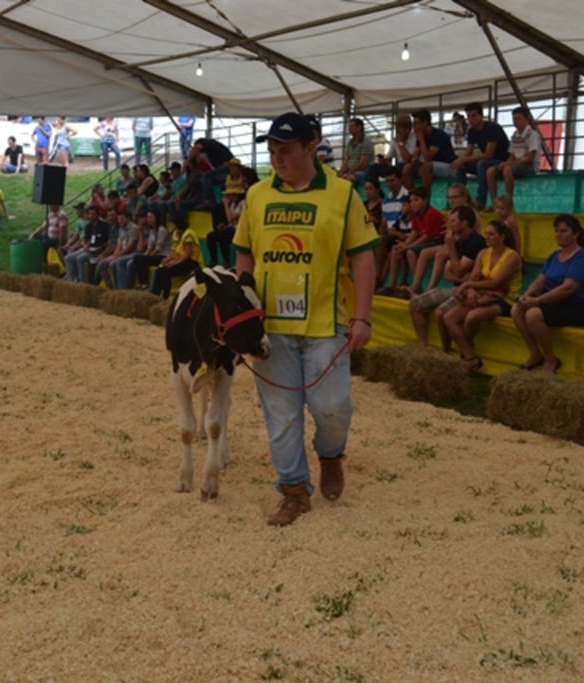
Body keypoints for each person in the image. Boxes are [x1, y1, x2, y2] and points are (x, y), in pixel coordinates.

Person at [233, 112, 378, 527]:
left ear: (311, 147)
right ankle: (294, 492)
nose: (277, 160)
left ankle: (331, 456)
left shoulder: (342, 195)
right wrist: (243, 309)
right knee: (281, 416)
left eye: (286, 151)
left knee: (333, 408)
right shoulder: (257, 196)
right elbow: (244, 251)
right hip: (270, 331)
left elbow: (363, 256)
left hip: (326, 325)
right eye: (272, 151)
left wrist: (362, 316)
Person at [513, 214, 584, 373]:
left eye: (564, 231)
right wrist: (526, 297)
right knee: (516, 309)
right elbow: (540, 281)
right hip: (554, 302)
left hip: (576, 306)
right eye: (557, 230)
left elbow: (568, 288)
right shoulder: (554, 256)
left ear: (576, 234)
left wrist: (536, 301)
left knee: (533, 314)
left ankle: (550, 358)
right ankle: (535, 353)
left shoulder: (582, 258)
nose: (558, 234)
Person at [444, 219, 522, 371]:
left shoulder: (513, 257)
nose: (487, 237)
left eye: (491, 234)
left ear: (502, 237)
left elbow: (495, 284)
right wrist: (472, 291)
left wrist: (467, 286)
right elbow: (474, 277)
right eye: (486, 233)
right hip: (482, 294)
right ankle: (470, 357)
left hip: (504, 298)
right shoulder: (483, 253)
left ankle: (466, 350)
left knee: (472, 317)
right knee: (449, 318)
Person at [406, 205, 486, 350]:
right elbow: (448, 273)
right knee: (415, 304)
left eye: (454, 221)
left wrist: (451, 247)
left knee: (441, 313)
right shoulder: (458, 239)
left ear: (464, 223)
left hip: (468, 291)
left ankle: (446, 351)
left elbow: (459, 269)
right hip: (458, 286)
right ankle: (423, 346)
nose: (450, 224)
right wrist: (461, 277)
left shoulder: (476, 241)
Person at [387, 187, 445, 296]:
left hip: (436, 241)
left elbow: (426, 237)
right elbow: (414, 233)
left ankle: (416, 287)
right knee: (396, 250)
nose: (413, 203)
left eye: (416, 200)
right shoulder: (416, 214)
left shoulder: (432, 213)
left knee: (410, 252)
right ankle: (392, 285)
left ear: (425, 200)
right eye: (411, 201)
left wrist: (407, 247)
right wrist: (404, 245)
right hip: (426, 241)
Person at [451, 102, 510, 208]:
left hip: (501, 161)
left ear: (481, 116)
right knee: (461, 167)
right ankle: (459, 199)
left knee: (481, 164)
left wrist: (464, 159)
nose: (471, 119)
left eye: (474, 116)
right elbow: (468, 152)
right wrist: (460, 161)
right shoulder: (472, 131)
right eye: (469, 117)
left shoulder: (492, 128)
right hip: (487, 162)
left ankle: (480, 202)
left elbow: (488, 154)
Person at [484, 107, 541, 209]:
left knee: (507, 170)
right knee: (490, 171)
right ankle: (495, 202)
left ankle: (508, 201)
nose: (516, 122)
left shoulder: (532, 134)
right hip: (515, 164)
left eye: (519, 119)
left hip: (529, 166)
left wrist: (509, 164)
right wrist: (505, 163)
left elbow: (530, 159)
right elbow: (511, 156)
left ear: (527, 119)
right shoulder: (515, 136)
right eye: (514, 119)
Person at [149, 213, 202, 299]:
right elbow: (174, 251)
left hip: (191, 262)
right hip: (179, 259)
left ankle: (165, 297)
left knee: (167, 271)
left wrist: (174, 263)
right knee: (159, 270)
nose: (171, 225)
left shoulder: (188, 234)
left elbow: (188, 254)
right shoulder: (175, 234)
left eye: (173, 223)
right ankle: (154, 296)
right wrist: (167, 259)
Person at [403, 109, 457, 193]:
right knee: (407, 168)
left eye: (416, 123)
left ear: (425, 123)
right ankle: (411, 196)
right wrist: (414, 160)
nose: (414, 126)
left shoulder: (439, 135)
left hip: (449, 166)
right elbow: (415, 155)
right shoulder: (422, 136)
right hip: (433, 166)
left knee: (425, 167)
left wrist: (421, 139)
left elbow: (428, 158)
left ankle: (425, 198)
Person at [64, 205, 110, 283]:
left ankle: (82, 281)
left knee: (81, 258)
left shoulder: (105, 226)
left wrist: (101, 247)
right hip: (89, 248)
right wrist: (85, 245)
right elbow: (85, 238)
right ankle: (71, 278)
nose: (91, 215)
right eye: (90, 214)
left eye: (93, 213)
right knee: (68, 258)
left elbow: (109, 240)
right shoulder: (89, 226)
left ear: (97, 214)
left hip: (99, 250)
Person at [128, 209, 172, 289]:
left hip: (164, 255)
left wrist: (149, 257)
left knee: (143, 260)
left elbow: (158, 248)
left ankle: (145, 282)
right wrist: (146, 255)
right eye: (148, 218)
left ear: (156, 218)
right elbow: (150, 246)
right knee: (137, 258)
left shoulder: (162, 230)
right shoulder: (152, 230)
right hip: (156, 254)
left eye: (151, 217)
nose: (148, 220)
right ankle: (141, 282)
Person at [98, 211, 140, 289]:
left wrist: (118, 256)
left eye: (122, 218)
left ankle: (119, 287)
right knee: (102, 265)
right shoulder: (121, 229)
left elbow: (130, 246)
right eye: (119, 219)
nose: (120, 220)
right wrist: (115, 255)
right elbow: (119, 244)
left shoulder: (134, 228)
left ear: (128, 218)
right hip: (122, 252)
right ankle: (110, 285)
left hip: (131, 253)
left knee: (113, 264)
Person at [338, 118, 374, 184]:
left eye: (351, 126)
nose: (349, 129)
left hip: (364, 171)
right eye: (349, 126)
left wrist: (349, 173)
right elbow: (346, 160)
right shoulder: (350, 143)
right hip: (350, 171)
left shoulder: (366, 142)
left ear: (359, 127)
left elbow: (363, 163)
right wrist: (341, 172)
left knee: (350, 178)